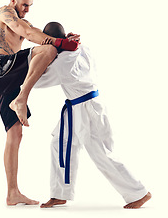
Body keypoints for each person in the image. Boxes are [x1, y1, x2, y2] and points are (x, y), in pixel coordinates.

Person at [34, 22, 151, 209]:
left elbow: (38, 80)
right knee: (59, 143)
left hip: (86, 109)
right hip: (77, 106)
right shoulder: (81, 48)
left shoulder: (63, 63)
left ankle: (139, 192)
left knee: (100, 153)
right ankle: (60, 193)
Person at [0, 0, 79, 205]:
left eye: (30, 6)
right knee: (49, 50)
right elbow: (28, 34)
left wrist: (65, 38)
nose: (27, 9)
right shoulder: (5, 12)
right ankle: (21, 98)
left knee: (15, 133)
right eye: (25, 5)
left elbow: (37, 34)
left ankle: (12, 193)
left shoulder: (23, 20)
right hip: (0, 67)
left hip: (4, 79)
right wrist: (58, 43)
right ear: (13, 0)